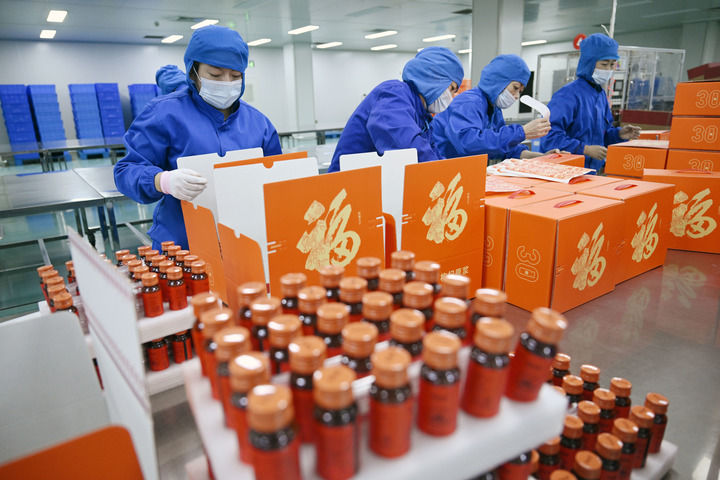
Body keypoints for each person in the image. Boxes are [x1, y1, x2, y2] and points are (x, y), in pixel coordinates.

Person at [114, 25, 282, 250]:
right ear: (193, 71)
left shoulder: (259, 124)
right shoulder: (164, 114)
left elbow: (278, 183)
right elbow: (126, 171)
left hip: (245, 244)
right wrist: (163, 181)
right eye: (215, 75)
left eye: (235, 75)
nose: (226, 82)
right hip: (182, 245)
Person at [327, 46, 464, 172]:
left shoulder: (422, 115)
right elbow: (409, 149)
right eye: (451, 89)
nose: (451, 97)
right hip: (347, 185)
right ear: (435, 77)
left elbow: (433, 154)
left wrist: (448, 171)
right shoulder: (394, 95)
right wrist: (442, 173)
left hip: (374, 182)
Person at [540, 33, 640, 170]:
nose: (608, 70)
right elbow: (549, 137)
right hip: (566, 170)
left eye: (612, 64)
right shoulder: (568, 95)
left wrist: (618, 134)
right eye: (604, 64)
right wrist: (584, 149)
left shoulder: (600, 95)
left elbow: (601, 136)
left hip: (592, 171)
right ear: (589, 63)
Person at [432, 54, 552, 160]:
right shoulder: (469, 102)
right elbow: (468, 143)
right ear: (499, 80)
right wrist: (522, 132)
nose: (516, 96)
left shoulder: (494, 109)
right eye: (515, 88)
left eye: (520, 91)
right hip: (438, 165)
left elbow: (501, 146)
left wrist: (540, 157)